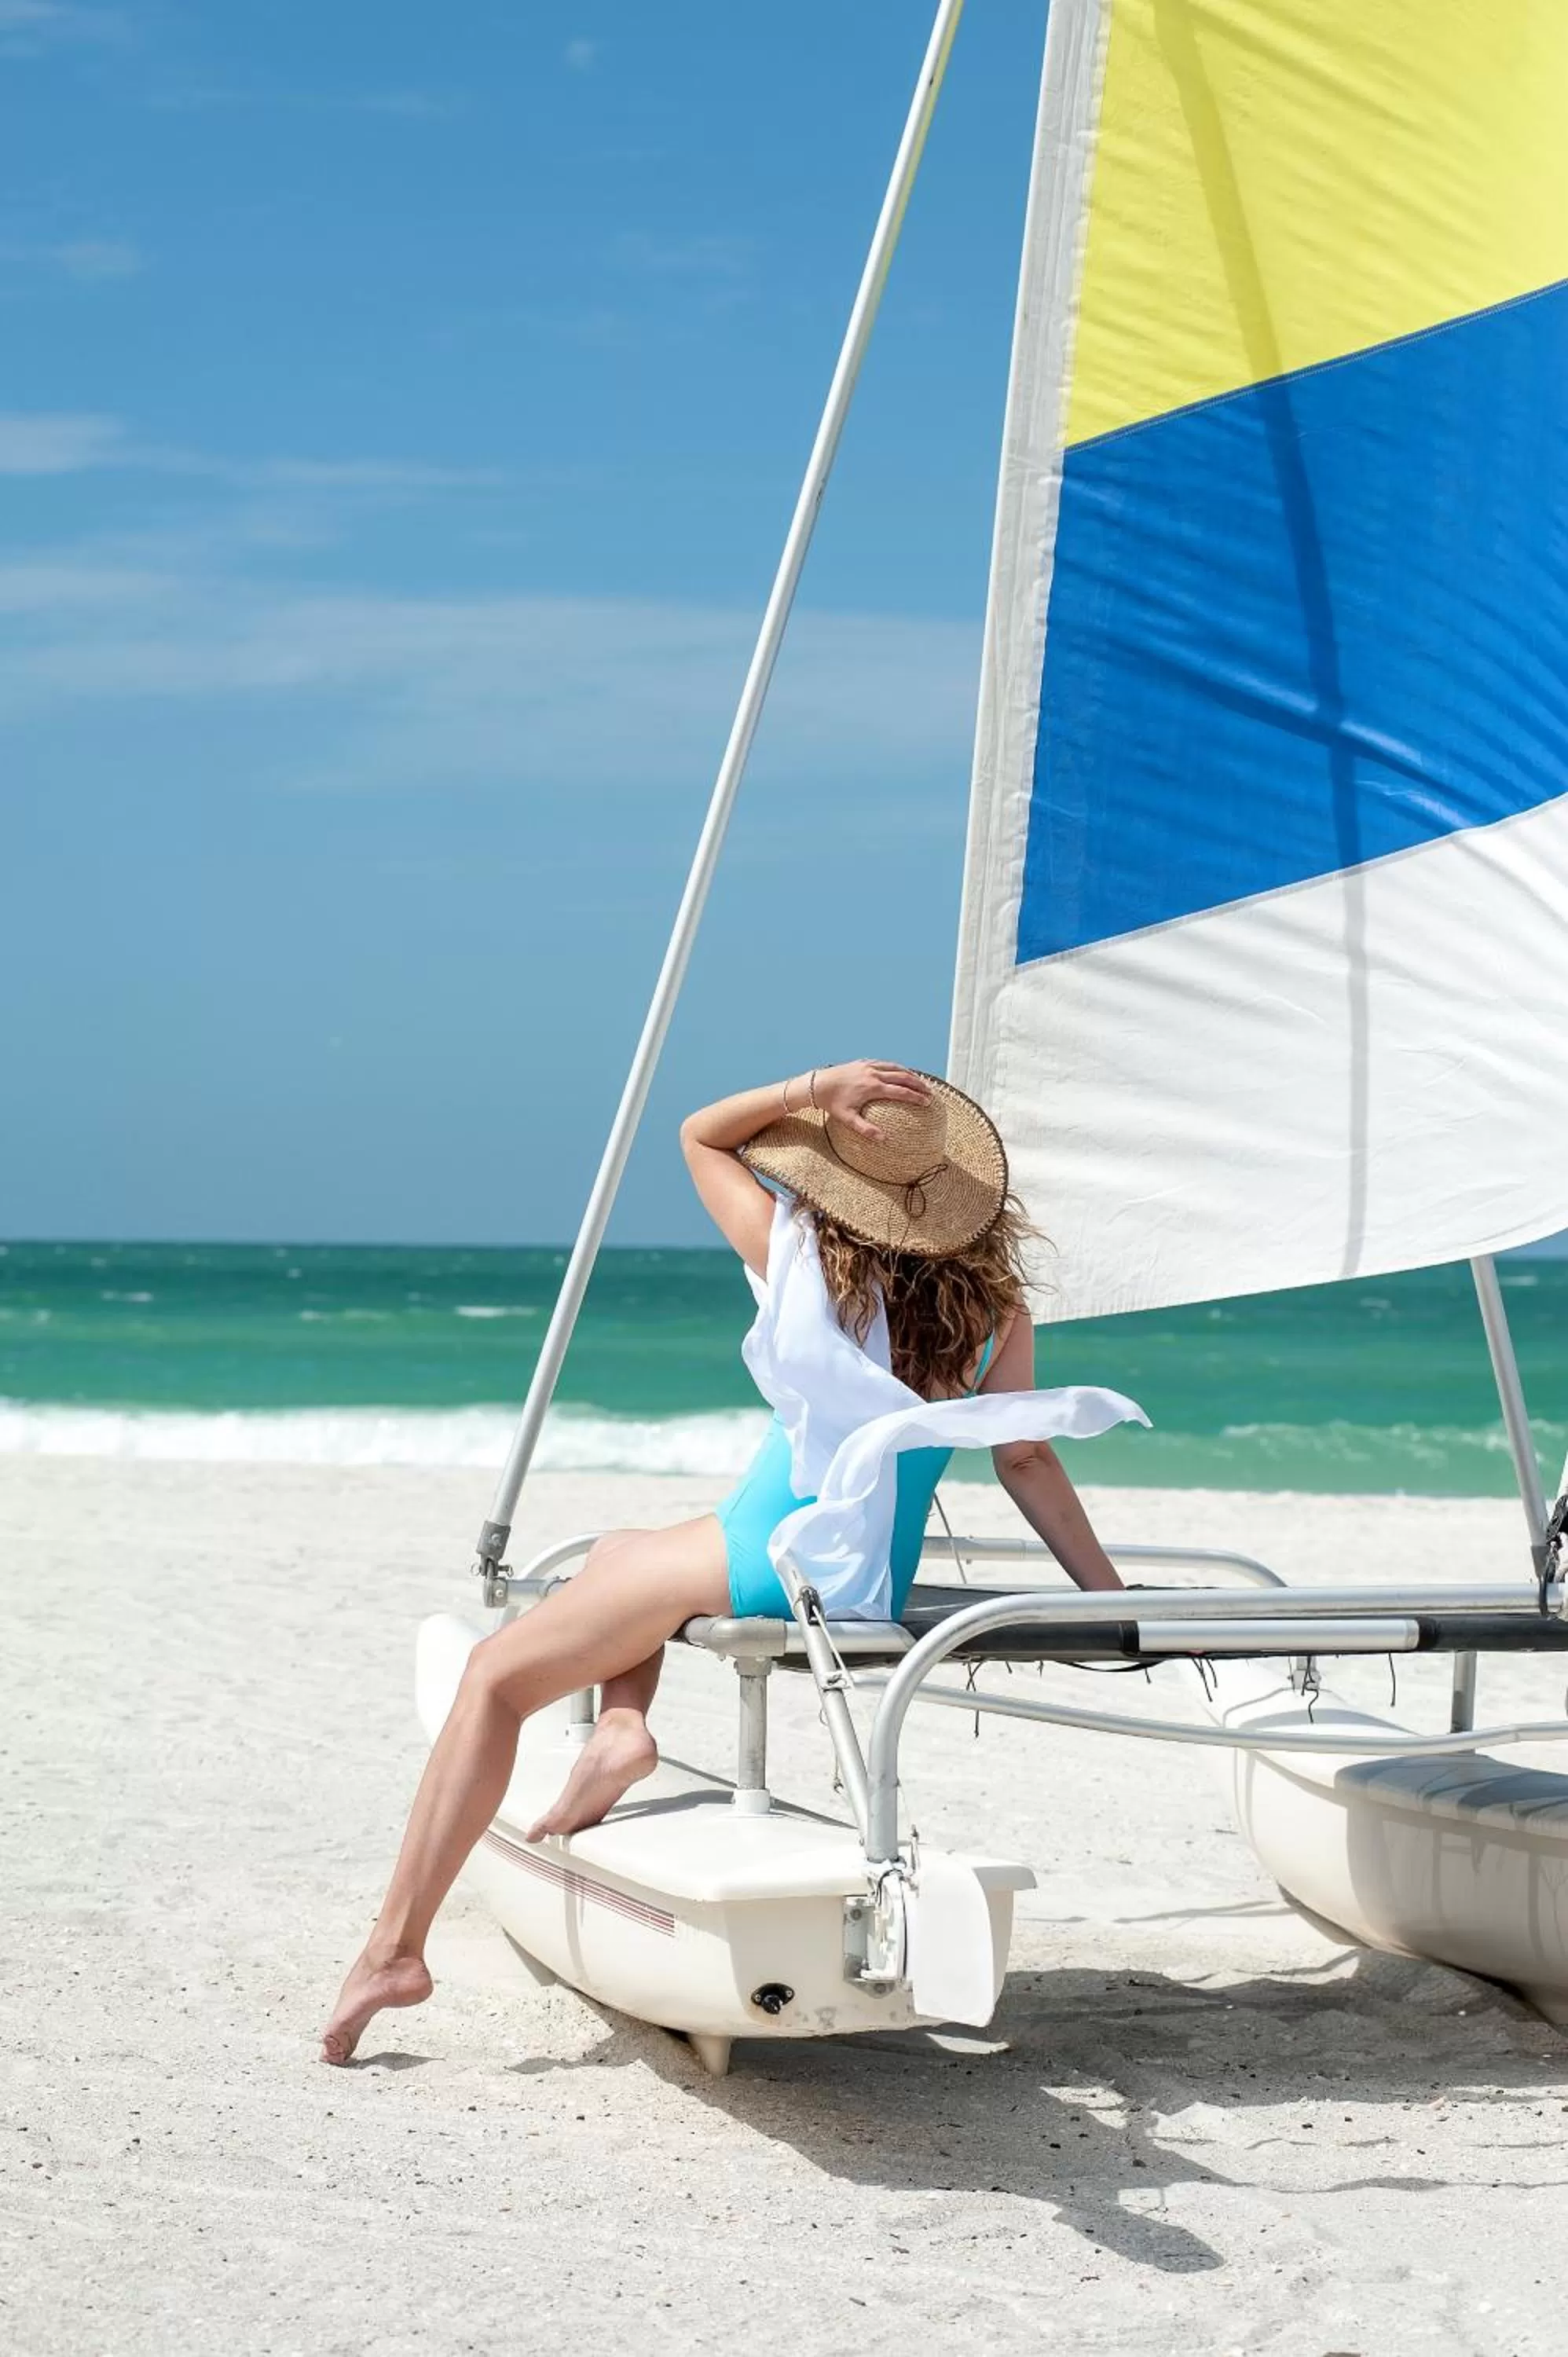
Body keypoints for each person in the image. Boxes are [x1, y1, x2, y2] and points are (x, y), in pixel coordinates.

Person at [321, 1060, 1128, 2064]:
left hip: (764, 1554)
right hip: (856, 1576)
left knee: (491, 1681)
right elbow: (1026, 1457)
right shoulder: (996, 1311)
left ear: (842, 1184)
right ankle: (622, 1728)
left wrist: (816, 1088)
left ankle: (396, 1948)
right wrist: (1113, 1601)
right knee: (621, 1554)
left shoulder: (809, 1264)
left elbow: (698, 1135)